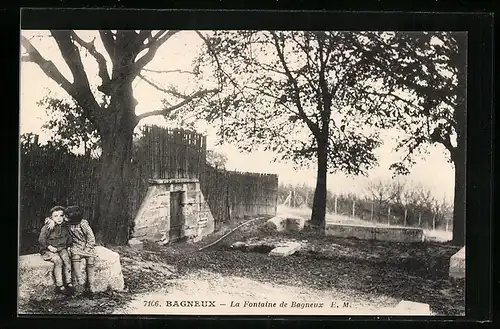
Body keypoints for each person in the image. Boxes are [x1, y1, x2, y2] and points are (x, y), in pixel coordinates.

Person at [38, 206, 75, 296]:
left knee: (67, 258)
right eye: (55, 216)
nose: (59, 218)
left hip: (61, 249)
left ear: (64, 216)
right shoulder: (48, 227)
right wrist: (49, 246)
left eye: (61, 215)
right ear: (51, 218)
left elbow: (69, 237)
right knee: (58, 261)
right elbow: (41, 240)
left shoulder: (65, 226)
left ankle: (69, 282)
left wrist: (69, 246)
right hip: (48, 250)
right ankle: (60, 285)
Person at [64, 205, 97, 296]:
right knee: (75, 256)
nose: (64, 218)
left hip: (86, 245)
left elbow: (91, 237)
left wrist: (87, 248)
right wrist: (49, 219)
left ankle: (91, 283)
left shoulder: (83, 224)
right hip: (75, 245)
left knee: (91, 259)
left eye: (67, 216)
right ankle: (79, 278)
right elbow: (54, 218)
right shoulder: (67, 223)